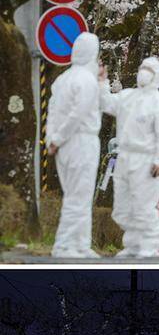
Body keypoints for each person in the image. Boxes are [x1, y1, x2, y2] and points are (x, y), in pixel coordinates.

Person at [99, 57, 159, 258]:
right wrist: (101, 83)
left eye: (148, 69)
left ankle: (149, 248)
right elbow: (105, 102)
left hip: (147, 161)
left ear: (157, 75)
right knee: (122, 209)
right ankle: (133, 246)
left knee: (144, 208)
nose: (143, 72)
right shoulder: (127, 97)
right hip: (124, 157)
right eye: (142, 67)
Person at [47, 32, 102, 258]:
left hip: (64, 144)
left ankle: (80, 244)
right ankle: (64, 245)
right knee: (79, 195)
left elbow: (52, 112)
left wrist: (53, 139)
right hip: (81, 140)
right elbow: (77, 114)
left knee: (76, 192)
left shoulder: (62, 79)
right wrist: (59, 137)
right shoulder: (87, 80)